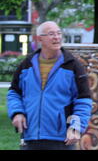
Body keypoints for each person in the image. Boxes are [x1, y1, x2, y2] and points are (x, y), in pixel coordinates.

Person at [7, 21, 92, 150]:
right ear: (39, 38)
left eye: (58, 33)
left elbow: (83, 99)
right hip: (30, 136)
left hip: (62, 139)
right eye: (51, 34)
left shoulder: (73, 65)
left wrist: (76, 127)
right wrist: (17, 112)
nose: (57, 37)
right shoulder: (26, 65)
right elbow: (14, 92)